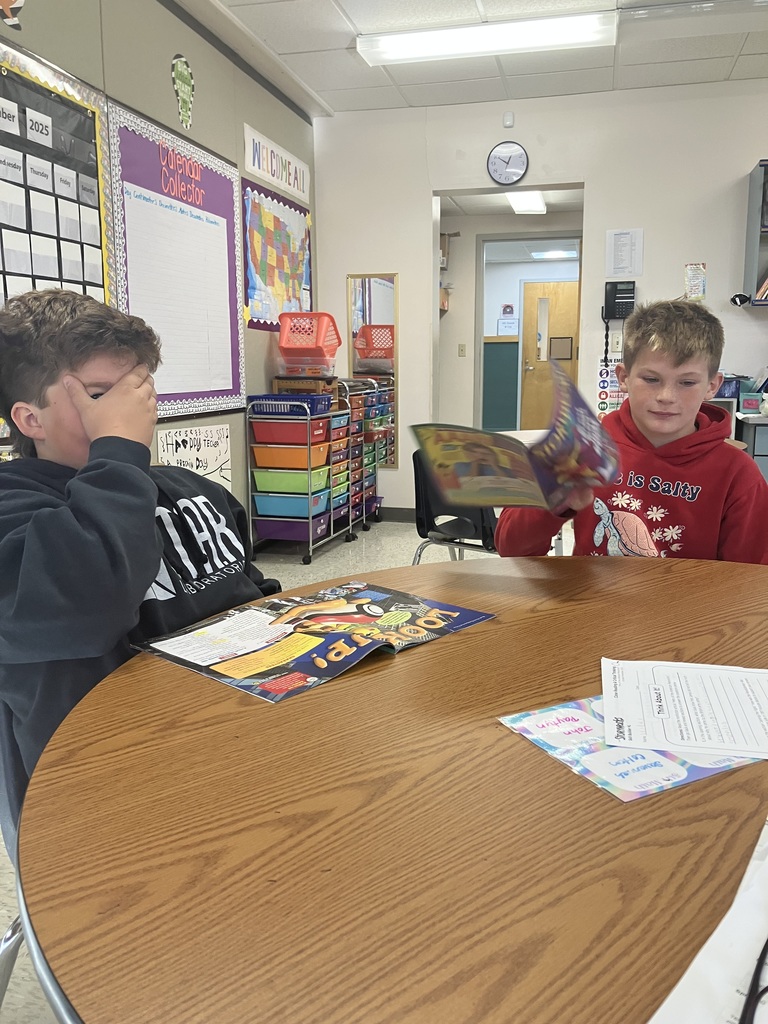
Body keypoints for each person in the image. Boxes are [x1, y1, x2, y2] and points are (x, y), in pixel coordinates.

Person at [0, 290, 280, 859]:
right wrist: (119, 451)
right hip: (110, 807)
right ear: (31, 419)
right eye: (101, 397)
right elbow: (88, 605)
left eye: (139, 389)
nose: (134, 413)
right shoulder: (14, 514)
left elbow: (254, 597)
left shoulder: (193, 491)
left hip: (236, 759)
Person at [495, 299, 768, 563]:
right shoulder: (580, 449)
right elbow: (510, 547)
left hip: (689, 610)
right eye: (651, 379)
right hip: (593, 604)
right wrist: (553, 500)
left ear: (712, 386)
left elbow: (749, 581)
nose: (666, 396)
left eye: (687, 382)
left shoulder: (738, 475)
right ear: (623, 378)